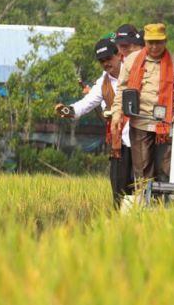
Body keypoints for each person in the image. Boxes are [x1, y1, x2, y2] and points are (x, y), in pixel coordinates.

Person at [54, 38, 133, 207]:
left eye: (108, 59)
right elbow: (85, 104)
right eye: (102, 61)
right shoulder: (102, 84)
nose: (106, 63)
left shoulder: (135, 70)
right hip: (119, 142)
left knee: (143, 186)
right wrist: (67, 111)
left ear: (119, 55)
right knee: (119, 189)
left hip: (141, 138)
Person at [111, 23, 174, 182]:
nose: (154, 46)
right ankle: (144, 205)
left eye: (158, 42)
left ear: (165, 41)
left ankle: (165, 205)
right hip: (140, 122)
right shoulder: (132, 60)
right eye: (150, 42)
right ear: (144, 41)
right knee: (143, 171)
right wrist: (117, 114)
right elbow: (122, 90)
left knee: (166, 169)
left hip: (166, 124)